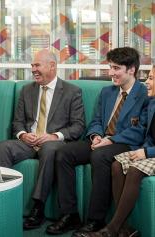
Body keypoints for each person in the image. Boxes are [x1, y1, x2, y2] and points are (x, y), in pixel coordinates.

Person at [46, 47, 149, 236]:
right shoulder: (107, 92)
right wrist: (95, 136)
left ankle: (95, 220)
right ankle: (69, 215)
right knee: (63, 153)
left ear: (131, 69)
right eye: (110, 67)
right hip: (101, 140)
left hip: (125, 143)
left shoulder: (144, 93)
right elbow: (96, 121)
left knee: (100, 156)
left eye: (116, 68)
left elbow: (140, 130)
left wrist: (110, 141)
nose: (111, 73)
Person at [0, 48, 85, 230]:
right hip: (28, 143)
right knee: (3, 147)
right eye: (32, 65)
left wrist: (53, 136)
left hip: (53, 144)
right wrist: (23, 134)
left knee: (50, 148)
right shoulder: (26, 90)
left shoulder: (72, 91)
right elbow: (18, 122)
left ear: (52, 66)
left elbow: (78, 126)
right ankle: (3, 201)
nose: (33, 69)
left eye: (37, 65)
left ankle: (38, 207)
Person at [84, 65, 155, 237]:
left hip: (152, 154)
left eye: (152, 78)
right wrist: (143, 149)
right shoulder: (152, 103)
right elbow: (146, 132)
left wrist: (146, 153)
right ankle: (124, 229)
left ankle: (112, 229)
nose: (147, 82)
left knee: (134, 169)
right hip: (149, 150)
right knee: (116, 165)